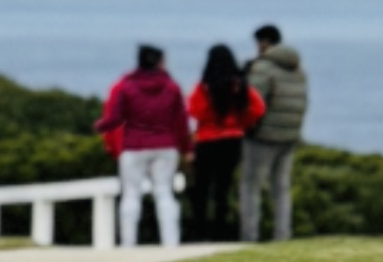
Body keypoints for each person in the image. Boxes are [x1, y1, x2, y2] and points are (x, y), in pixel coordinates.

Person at [99, 39, 188, 249]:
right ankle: (170, 243)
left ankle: (128, 243)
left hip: (134, 146)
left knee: (131, 195)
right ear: (159, 62)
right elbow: (181, 121)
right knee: (164, 193)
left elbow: (115, 117)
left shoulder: (126, 87)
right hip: (166, 146)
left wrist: (100, 129)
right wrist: (188, 148)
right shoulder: (172, 88)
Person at [244, 22, 311, 240]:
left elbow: (254, 103)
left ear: (263, 42)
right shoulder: (297, 69)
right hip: (290, 136)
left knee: (251, 186)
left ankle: (249, 235)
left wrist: (249, 128)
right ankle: (283, 234)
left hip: (263, 136)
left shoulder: (263, 68)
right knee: (281, 187)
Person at [186, 40, 256, 234]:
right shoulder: (240, 85)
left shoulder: (204, 87)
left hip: (207, 141)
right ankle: (221, 230)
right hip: (232, 141)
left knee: (202, 188)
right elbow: (257, 108)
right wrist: (242, 124)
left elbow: (193, 110)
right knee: (223, 189)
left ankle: (200, 230)